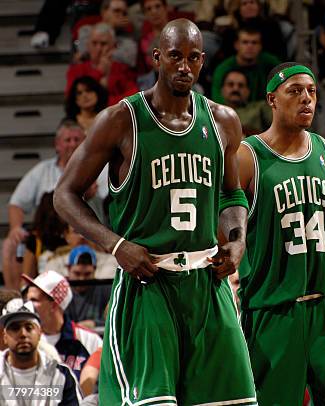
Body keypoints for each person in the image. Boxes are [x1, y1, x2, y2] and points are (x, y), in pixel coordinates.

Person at [53, 19, 257, 405]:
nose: (184, 66)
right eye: (176, 56)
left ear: (202, 62)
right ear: (157, 58)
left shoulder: (223, 121)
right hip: (148, 284)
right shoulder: (121, 120)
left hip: (206, 284)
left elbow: (232, 197)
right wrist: (116, 246)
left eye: (193, 58)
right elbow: (64, 195)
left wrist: (236, 240)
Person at [237, 62, 325, 405]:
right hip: (272, 314)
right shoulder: (246, 157)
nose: (306, 99)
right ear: (272, 99)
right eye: (295, 91)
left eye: (312, 91)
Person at [2, 120, 107, 290]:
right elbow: (16, 203)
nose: (72, 144)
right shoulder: (42, 171)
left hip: (90, 234)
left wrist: (89, 196)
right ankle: (16, 299)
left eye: (77, 139)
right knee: (12, 244)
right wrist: (15, 228)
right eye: (68, 140)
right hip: (49, 236)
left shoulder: (100, 168)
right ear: (57, 145)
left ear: (86, 142)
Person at [0, 298, 82, 405]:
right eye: (15, 328)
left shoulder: (61, 375)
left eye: (29, 327)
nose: (23, 334)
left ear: (40, 333)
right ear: (5, 337)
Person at [22, 271, 102, 380]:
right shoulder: (24, 339)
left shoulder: (90, 340)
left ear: (54, 305)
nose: (27, 305)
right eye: (27, 299)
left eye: (34, 300)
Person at [66, 23, 138, 106]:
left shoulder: (122, 68)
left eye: (103, 44)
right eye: (94, 43)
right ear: (88, 46)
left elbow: (134, 96)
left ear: (113, 47)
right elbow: (72, 97)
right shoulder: (76, 70)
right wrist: (98, 72)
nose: (99, 48)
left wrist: (103, 102)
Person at [211, 24, 281, 104]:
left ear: (260, 46)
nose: (250, 46)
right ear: (236, 45)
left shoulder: (269, 62)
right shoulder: (223, 68)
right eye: (245, 42)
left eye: (254, 43)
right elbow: (216, 99)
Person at [64, 245, 112, 329]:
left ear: (95, 269)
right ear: (68, 269)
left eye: (87, 274)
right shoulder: (62, 291)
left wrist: (94, 323)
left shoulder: (105, 288)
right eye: (77, 273)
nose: (82, 279)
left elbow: (114, 319)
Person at [220, 68, 272, 135]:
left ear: (248, 91)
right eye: (230, 84)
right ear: (222, 90)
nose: (235, 89)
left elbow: (280, 126)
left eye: (240, 85)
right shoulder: (212, 112)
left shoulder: (260, 107)